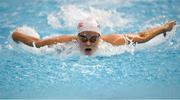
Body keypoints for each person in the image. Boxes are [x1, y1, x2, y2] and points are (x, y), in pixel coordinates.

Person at [11, 18, 176, 55]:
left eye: (93, 38)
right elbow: (38, 43)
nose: (88, 42)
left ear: (100, 37)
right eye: (83, 37)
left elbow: (142, 37)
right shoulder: (66, 42)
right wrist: (15, 34)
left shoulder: (113, 41)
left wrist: (164, 28)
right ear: (77, 37)